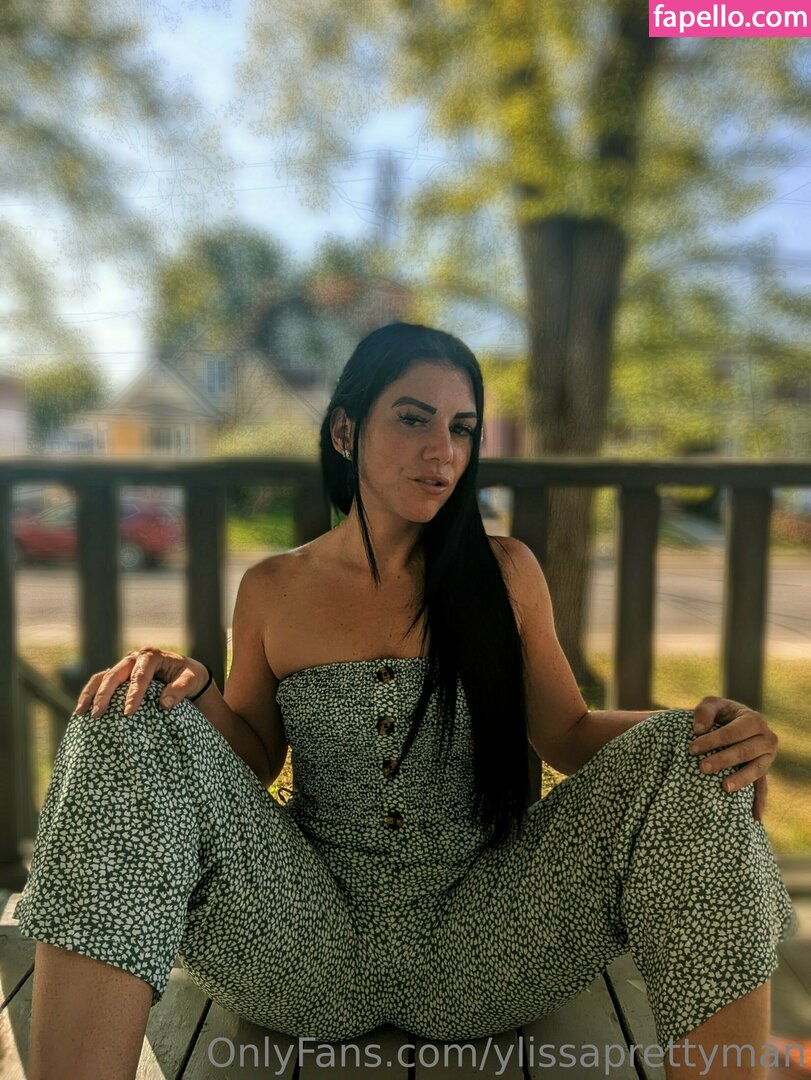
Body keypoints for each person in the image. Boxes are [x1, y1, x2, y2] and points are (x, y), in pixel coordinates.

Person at [14, 322, 800, 1080]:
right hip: (302, 941)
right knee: (123, 717)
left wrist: (702, 731)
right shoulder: (273, 587)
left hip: (493, 941)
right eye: (413, 419)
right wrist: (185, 691)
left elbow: (566, 731)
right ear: (345, 431)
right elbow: (252, 753)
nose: (441, 450)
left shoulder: (506, 572)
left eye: (461, 428)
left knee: (699, 755)